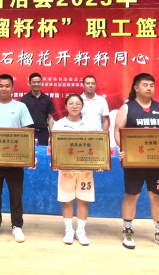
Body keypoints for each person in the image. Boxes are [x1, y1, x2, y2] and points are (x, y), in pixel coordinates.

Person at [114, 73, 159, 251]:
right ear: (136, 88)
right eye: (145, 85)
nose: (149, 88)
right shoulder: (127, 108)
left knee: (156, 196)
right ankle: (127, 230)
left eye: (152, 85)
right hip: (134, 161)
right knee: (132, 195)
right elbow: (117, 131)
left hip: (157, 161)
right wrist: (123, 149)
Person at [0, 74, 34, 243]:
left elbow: (26, 132)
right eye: (1, 86)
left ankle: (17, 226)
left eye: (7, 86)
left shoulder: (21, 106)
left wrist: (29, 155)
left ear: (13, 88)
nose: (4, 88)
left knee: (16, 195)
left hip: (15, 159)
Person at [52, 94, 98, 246]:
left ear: (82, 106)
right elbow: (54, 146)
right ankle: (69, 230)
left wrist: (100, 162)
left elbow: (98, 145)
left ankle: (81, 231)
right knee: (67, 200)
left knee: (83, 200)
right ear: (65, 106)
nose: (74, 106)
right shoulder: (59, 124)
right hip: (66, 170)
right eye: (71, 103)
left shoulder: (90, 124)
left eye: (78, 103)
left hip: (85, 170)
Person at [21, 72, 54, 146]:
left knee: (43, 151)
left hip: (43, 133)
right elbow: (22, 117)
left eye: (38, 82)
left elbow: (50, 117)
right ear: (29, 83)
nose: (36, 84)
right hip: (29, 132)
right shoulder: (25, 99)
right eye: (34, 82)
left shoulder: (47, 99)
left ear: (41, 83)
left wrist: (51, 133)